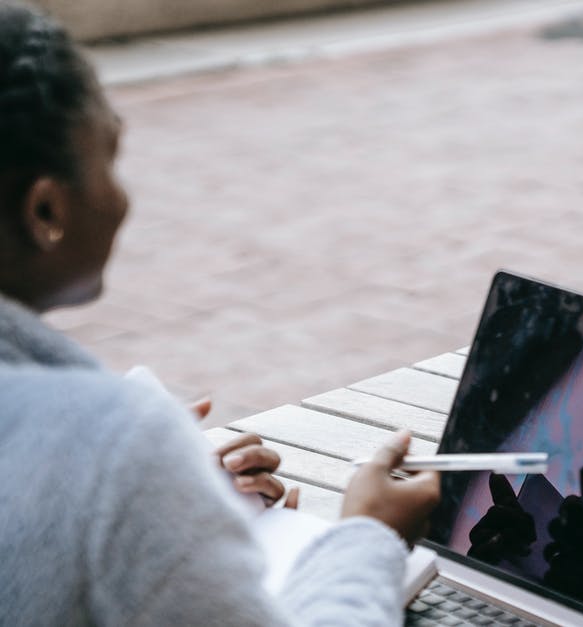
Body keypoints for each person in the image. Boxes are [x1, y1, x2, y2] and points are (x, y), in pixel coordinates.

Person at [0, 2, 440, 624]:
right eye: (110, 159)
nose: (123, 198)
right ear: (45, 211)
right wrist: (370, 538)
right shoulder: (112, 444)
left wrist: (161, 516)